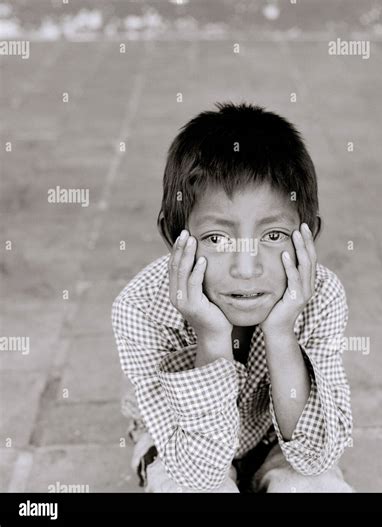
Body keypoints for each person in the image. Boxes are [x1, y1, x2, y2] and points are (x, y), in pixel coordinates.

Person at [111, 102, 354, 493]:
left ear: (310, 234)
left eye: (273, 236)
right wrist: (210, 338)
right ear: (175, 238)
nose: (246, 268)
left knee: (317, 487)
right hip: (177, 444)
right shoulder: (141, 307)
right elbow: (198, 473)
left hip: (276, 437)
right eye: (217, 238)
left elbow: (313, 454)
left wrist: (281, 332)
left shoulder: (320, 295)